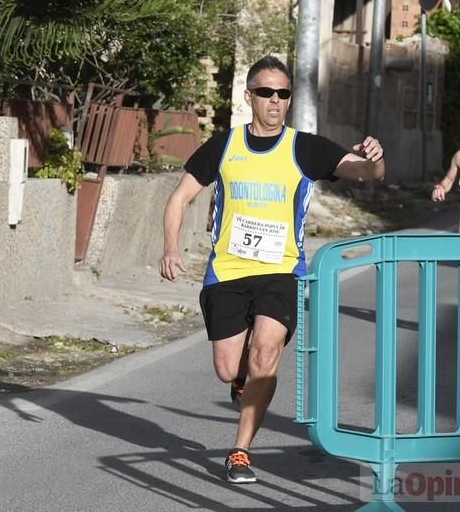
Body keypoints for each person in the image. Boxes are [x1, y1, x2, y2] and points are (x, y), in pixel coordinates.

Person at [158, 55, 385, 484]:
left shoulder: (304, 147)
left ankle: (240, 450)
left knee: (265, 353)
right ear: (249, 97)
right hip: (227, 271)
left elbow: (364, 174)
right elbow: (178, 197)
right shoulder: (225, 146)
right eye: (267, 92)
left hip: (281, 271)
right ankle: (244, 383)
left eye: (283, 93)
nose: (276, 101)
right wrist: (171, 247)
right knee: (229, 369)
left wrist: (374, 159)